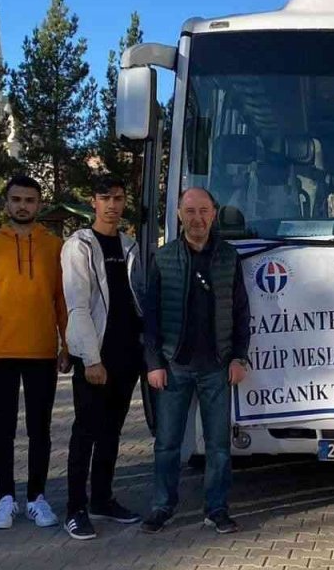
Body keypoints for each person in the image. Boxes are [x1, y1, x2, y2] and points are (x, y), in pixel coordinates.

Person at [140, 187, 250, 535]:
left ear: (214, 214)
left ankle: (216, 509)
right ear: (178, 214)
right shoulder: (163, 258)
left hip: (217, 366)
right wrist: (154, 362)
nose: (197, 218)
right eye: (190, 211)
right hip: (174, 366)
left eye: (203, 210)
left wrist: (239, 357)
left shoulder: (229, 258)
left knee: (218, 446)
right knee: (168, 444)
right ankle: (162, 506)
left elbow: (241, 313)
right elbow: (151, 318)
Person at [0, 175, 69, 530]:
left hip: (42, 351)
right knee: (3, 429)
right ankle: (6, 499)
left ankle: (37, 498)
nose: (22, 205)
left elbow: (62, 301)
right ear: (6, 203)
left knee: (40, 428)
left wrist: (67, 344)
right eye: (16, 199)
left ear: (39, 204)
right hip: (0, 352)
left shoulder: (54, 246)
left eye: (29, 200)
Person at [61, 176, 147, 539]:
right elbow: (78, 305)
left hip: (127, 355)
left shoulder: (130, 246)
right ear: (92, 202)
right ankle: (75, 508)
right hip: (95, 357)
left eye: (118, 198)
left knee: (112, 432)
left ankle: (102, 498)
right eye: (105, 198)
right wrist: (90, 358)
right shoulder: (79, 245)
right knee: (86, 431)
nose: (112, 204)